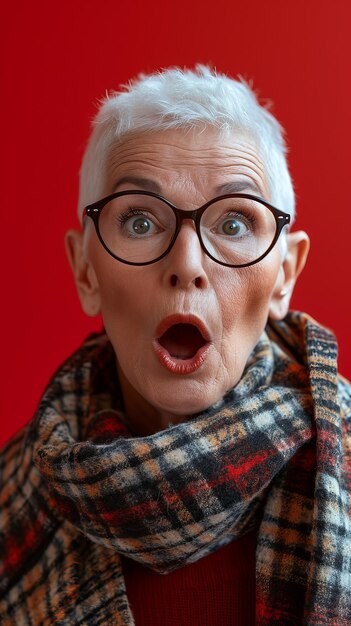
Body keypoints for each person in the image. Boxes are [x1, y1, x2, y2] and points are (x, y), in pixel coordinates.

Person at [0, 66, 350, 626]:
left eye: (235, 223)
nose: (187, 265)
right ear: (85, 270)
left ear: (285, 275)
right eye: (140, 221)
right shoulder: (10, 504)